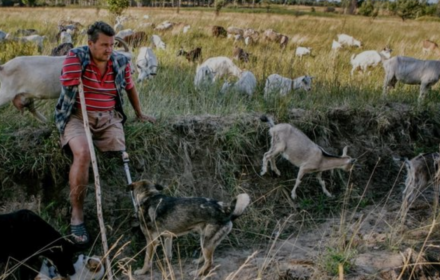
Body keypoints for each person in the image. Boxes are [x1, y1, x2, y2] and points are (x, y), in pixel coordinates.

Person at [55, 21, 155, 246]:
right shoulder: (76, 57)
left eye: (111, 45)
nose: (109, 50)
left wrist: (140, 113)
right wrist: (86, 121)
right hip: (78, 116)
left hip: (109, 117)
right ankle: (77, 216)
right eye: (103, 45)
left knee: (123, 156)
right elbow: (69, 88)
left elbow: (130, 87)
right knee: (83, 153)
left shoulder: (120, 60)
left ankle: (137, 213)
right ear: (90, 44)